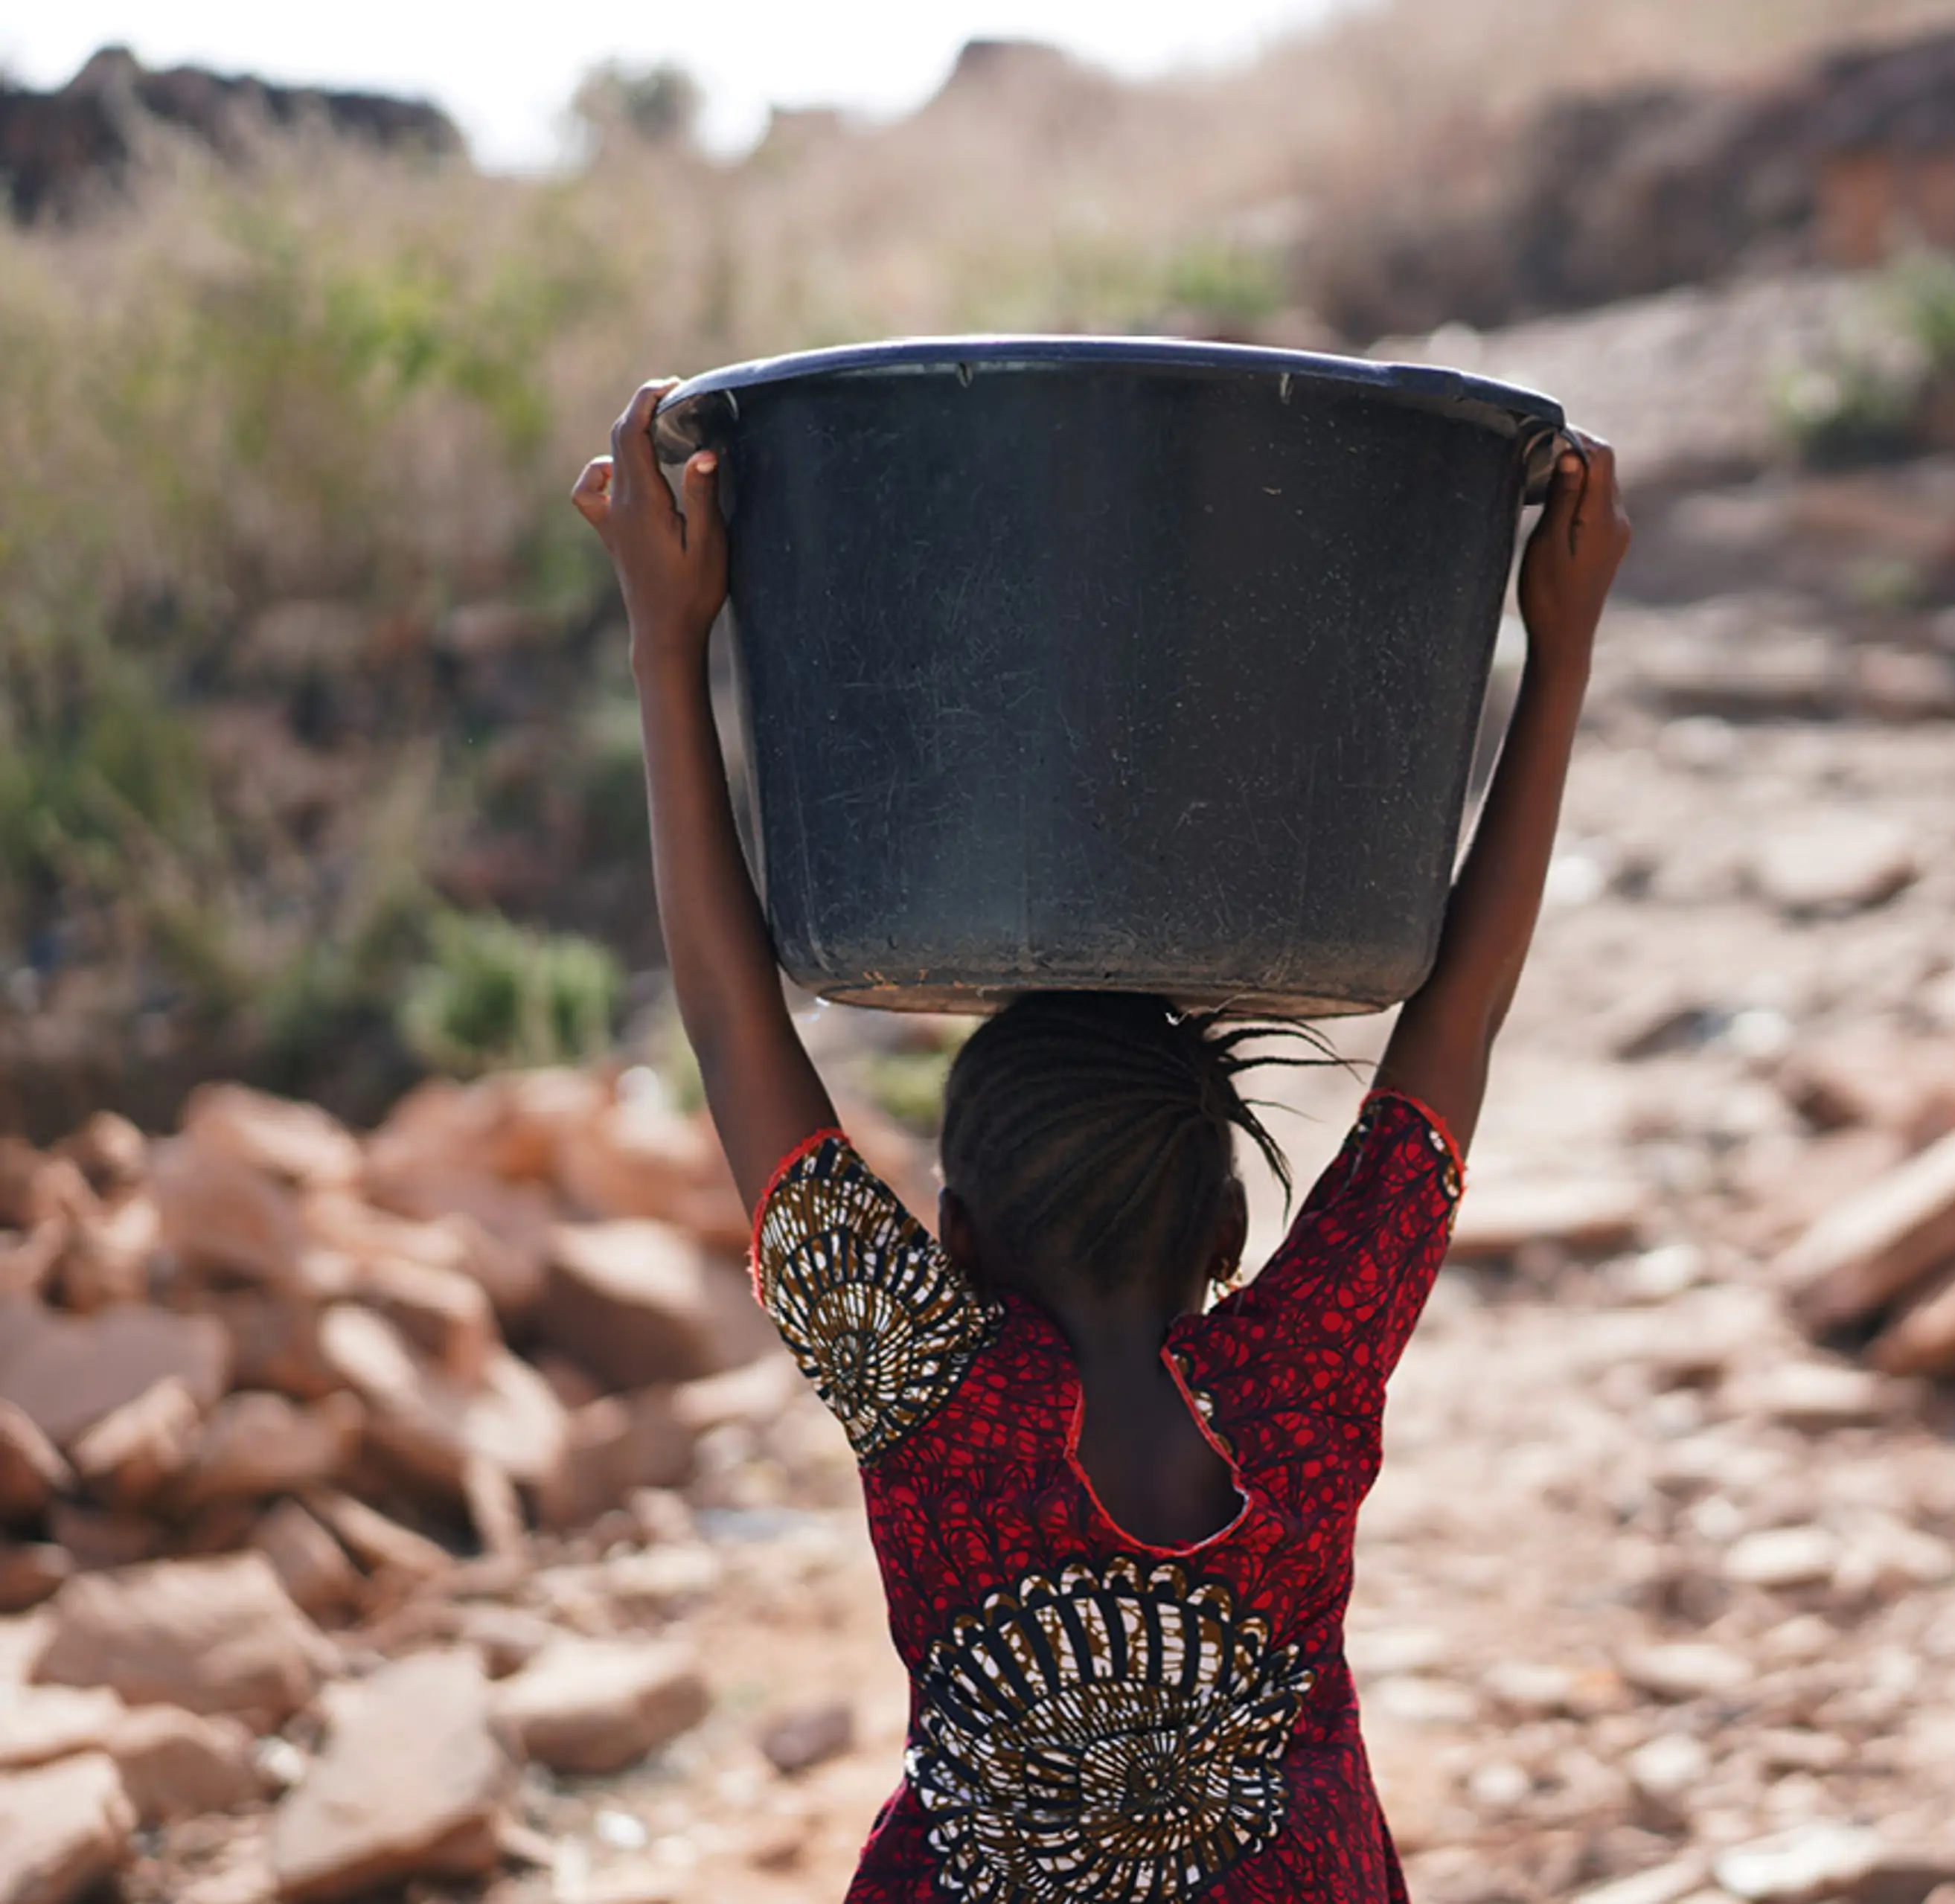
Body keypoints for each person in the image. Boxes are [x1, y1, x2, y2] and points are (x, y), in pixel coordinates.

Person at [570, 378, 1631, 1903]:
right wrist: (1560, 642)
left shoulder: (930, 1393)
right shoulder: (1310, 1365)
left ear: (953, 1242)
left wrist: (669, 641)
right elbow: (1456, 1014)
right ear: (1225, 1237)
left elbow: (741, 1031)